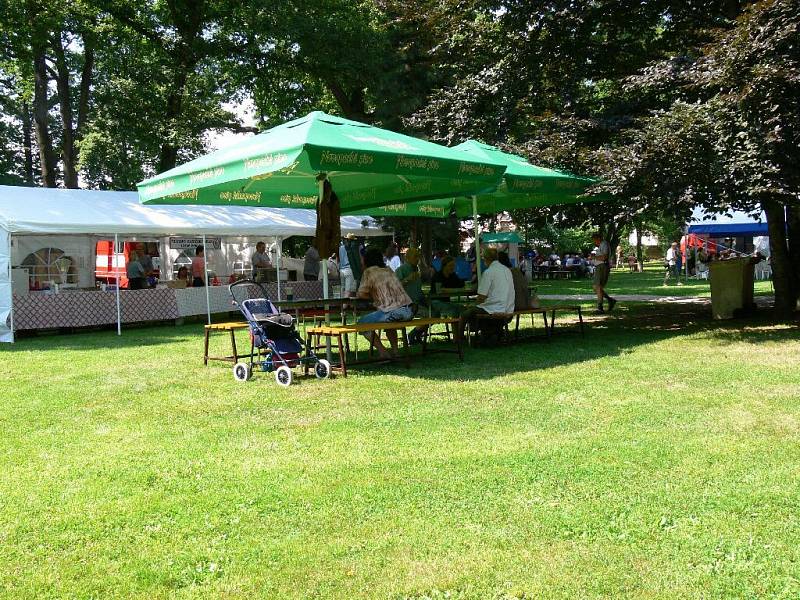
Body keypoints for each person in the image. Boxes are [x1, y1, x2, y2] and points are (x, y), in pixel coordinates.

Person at [356, 246, 414, 358]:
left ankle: (383, 352)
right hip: (409, 310)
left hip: (392, 312)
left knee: (361, 323)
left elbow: (361, 294)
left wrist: (372, 296)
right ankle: (395, 351)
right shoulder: (388, 270)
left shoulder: (369, 272)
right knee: (389, 323)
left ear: (367, 260)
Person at [457, 247, 515, 342]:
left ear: (485, 259)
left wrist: (473, 305)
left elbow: (481, 297)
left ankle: (460, 338)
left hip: (494, 308)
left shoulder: (489, 272)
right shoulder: (506, 270)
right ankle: (489, 331)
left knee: (464, 314)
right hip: (509, 307)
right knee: (474, 310)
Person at [591, 232, 616, 313]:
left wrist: (594, 257)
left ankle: (600, 307)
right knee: (597, 287)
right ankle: (609, 300)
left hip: (602, 266)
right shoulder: (601, 246)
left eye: (594, 240)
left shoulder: (604, 244)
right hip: (599, 267)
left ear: (598, 239)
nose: (594, 242)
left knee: (597, 287)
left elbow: (604, 257)